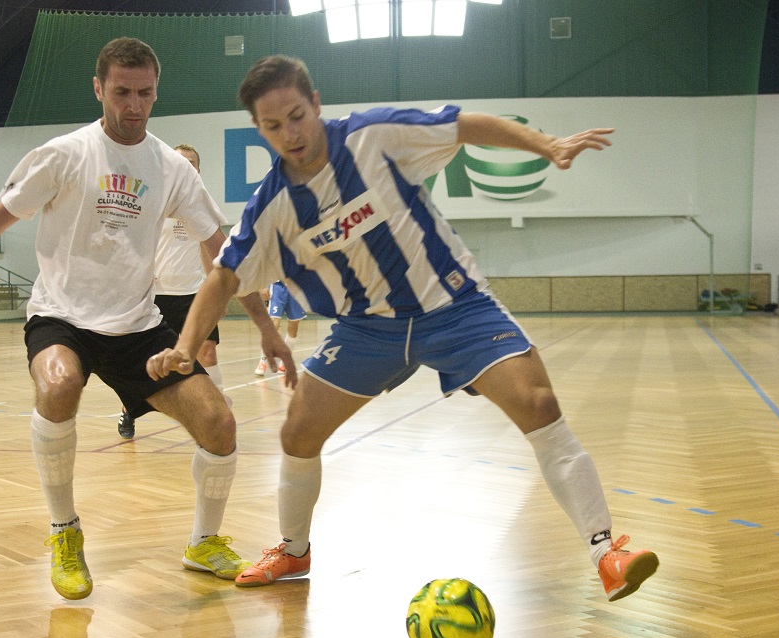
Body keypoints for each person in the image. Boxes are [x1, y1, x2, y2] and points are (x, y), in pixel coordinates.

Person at [148, 55, 659, 601]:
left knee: (537, 403)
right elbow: (224, 276)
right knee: (298, 431)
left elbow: (463, 125)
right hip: (368, 328)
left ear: (316, 104)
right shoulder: (272, 206)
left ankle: (606, 552)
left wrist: (548, 146)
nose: (290, 134)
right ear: (259, 129)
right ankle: (293, 552)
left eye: (297, 116)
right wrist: (184, 347)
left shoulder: (374, 137)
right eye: (273, 126)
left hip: (454, 305)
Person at [0, 37, 276, 601]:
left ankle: (204, 542)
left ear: (156, 92)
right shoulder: (65, 154)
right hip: (62, 317)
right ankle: (64, 530)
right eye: (121, 92)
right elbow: (2, 216)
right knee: (59, 383)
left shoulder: (172, 168)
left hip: (136, 328)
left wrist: (268, 326)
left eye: (144, 93)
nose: (134, 105)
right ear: (99, 88)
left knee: (219, 423)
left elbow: (221, 251)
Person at [117, 142, 228, 440]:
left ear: (198, 169)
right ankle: (129, 410)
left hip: (194, 292)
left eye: (192, 163)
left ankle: (218, 411)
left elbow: (212, 250)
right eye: (181, 162)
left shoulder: (203, 204)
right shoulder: (153, 202)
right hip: (157, 293)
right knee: (144, 360)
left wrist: (219, 290)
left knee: (207, 351)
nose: (187, 167)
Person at [254, 280, 305, 377]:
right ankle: (262, 361)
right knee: (273, 324)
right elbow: (266, 264)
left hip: (297, 287)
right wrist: (262, 285)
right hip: (278, 287)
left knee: (293, 327)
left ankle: (284, 362)